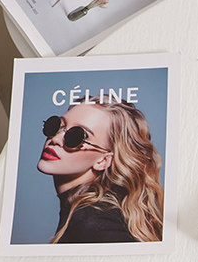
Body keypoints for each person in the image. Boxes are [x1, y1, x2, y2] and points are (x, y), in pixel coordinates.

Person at [36, 95, 164, 243]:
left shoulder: (93, 223)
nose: (56, 139)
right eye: (57, 126)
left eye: (76, 136)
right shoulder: (89, 215)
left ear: (103, 160)